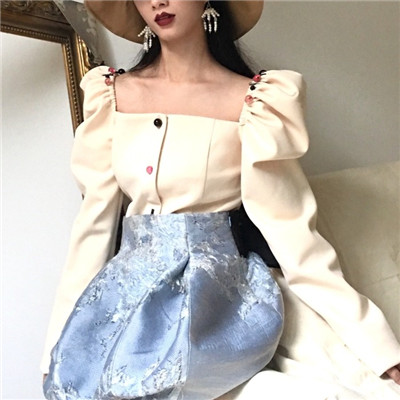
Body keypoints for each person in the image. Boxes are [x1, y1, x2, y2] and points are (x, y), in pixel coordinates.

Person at [41, 1, 400, 399]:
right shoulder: (111, 96)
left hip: (214, 302)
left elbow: (295, 237)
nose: (158, 2)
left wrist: (381, 349)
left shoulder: (255, 104)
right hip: (123, 299)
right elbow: (92, 230)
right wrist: (56, 351)